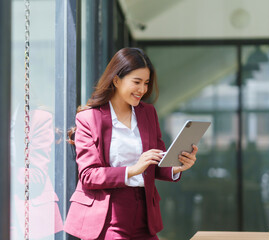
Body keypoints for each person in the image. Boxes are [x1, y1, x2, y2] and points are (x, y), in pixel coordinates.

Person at [64, 47, 198, 240]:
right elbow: (88, 175)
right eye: (136, 82)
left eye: (146, 83)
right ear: (116, 80)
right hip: (109, 214)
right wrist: (133, 169)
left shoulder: (148, 113)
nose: (142, 90)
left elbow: (155, 163)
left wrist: (177, 166)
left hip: (144, 211)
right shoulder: (89, 118)